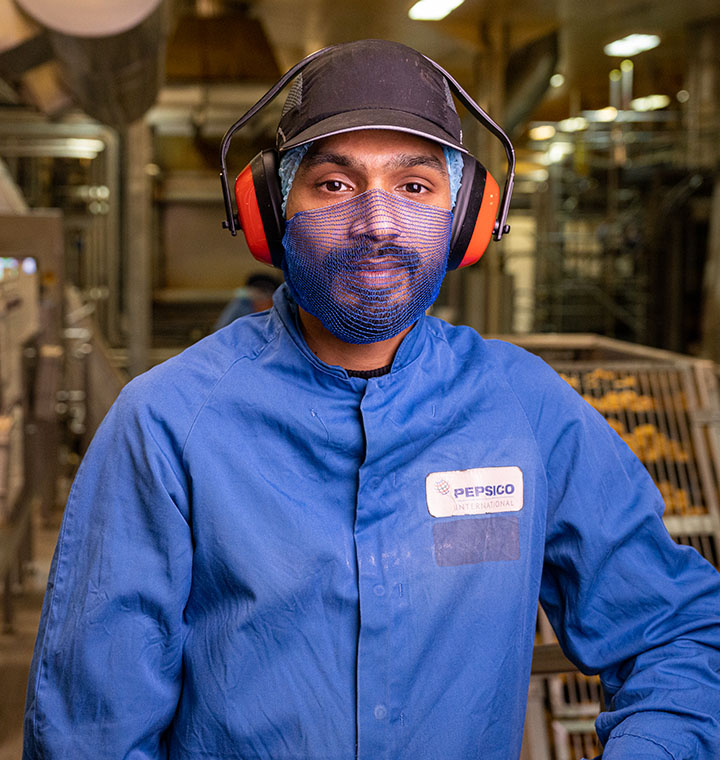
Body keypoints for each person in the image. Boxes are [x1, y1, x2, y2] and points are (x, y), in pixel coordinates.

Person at [24, 40, 720, 760]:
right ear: (269, 211)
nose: (379, 223)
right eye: (334, 185)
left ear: (467, 219)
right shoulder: (166, 426)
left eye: (415, 187)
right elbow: (91, 734)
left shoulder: (526, 411)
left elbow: (679, 632)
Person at [213, 272, 282, 331]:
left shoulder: (278, 311)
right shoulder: (241, 305)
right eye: (257, 296)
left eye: (264, 296)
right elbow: (221, 327)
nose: (260, 301)